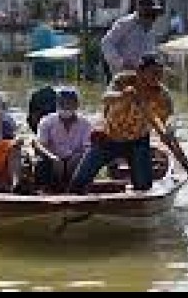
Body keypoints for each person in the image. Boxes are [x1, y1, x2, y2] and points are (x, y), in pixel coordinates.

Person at [68, 53, 174, 194]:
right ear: (140, 72)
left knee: (143, 187)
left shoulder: (162, 94)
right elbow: (105, 98)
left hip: (138, 141)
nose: (158, 78)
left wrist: (168, 131)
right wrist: (122, 95)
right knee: (79, 181)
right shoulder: (123, 80)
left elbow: (168, 119)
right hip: (108, 138)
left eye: (160, 74)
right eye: (154, 73)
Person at [32, 87, 92, 192]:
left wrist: (76, 158)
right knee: (40, 162)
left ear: (76, 105)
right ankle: (45, 190)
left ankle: (77, 189)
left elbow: (87, 147)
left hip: (75, 161)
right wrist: (53, 158)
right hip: (52, 160)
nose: (65, 106)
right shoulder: (46, 121)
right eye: (62, 103)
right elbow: (39, 145)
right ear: (57, 104)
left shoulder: (85, 123)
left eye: (69, 103)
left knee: (85, 162)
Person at [100, 0, 163, 81]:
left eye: (154, 15)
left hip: (142, 77)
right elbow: (106, 42)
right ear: (142, 12)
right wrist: (120, 62)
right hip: (122, 76)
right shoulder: (125, 23)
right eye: (150, 14)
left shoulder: (151, 31)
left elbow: (150, 53)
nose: (153, 18)